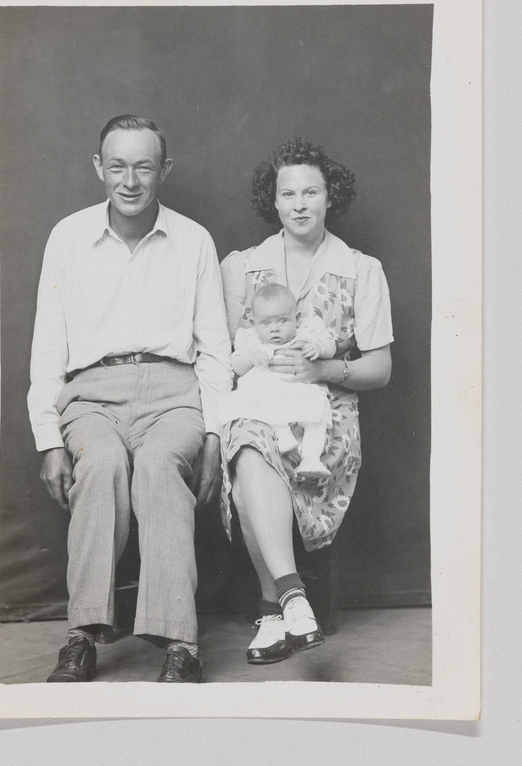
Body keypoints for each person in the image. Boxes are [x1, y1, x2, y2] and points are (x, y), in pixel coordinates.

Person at [28, 114, 232, 683]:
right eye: (117, 165)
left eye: (144, 165)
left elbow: (214, 347)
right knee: (102, 464)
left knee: (161, 467)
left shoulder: (193, 239)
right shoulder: (67, 237)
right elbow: (49, 344)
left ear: (164, 169)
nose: (131, 180)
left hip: (174, 395)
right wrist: (50, 438)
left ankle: (180, 645)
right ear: (99, 168)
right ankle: (83, 635)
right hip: (91, 396)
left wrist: (215, 432)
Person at [220, 137, 393, 665]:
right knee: (248, 443)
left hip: (326, 417)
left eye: (310, 192)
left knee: (252, 461)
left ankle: (272, 611)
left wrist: (321, 367)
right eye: (287, 193)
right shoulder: (242, 268)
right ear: (271, 201)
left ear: (328, 197)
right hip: (259, 404)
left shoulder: (361, 269)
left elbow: (380, 370)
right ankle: (295, 601)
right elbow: (234, 357)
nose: (299, 204)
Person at [218, 282, 336, 479]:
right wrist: (251, 359)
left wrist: (319, 349)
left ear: (296, 318)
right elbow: (236, 365)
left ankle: (311, 458)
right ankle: (282, 433)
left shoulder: (307, 330)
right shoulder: (249, 338)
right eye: (266, 323)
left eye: (282, 321)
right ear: (255, 323)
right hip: (265, 391)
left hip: (300, 390)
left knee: (317, 413)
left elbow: (330, 346)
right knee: (255, 404)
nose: (274, 329)